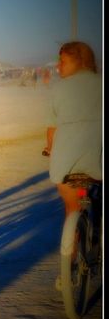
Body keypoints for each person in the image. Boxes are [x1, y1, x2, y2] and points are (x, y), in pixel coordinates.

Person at [43, 41, 102, 216]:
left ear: (80, 61)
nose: (58, 66)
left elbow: (52, 129)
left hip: (66, 164)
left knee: (72, 209)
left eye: (63, 62)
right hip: (98, 157)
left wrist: (49, 148)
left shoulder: (58, 88)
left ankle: (72, 238)